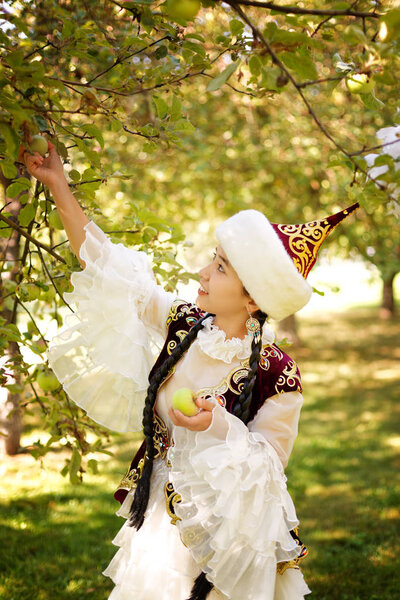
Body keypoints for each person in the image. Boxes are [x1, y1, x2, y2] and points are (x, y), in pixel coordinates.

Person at [19, 137, 360, 600]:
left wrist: (216, 422)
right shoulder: (185, 324)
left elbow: (271, 463)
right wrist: (58, 185)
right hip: (162, 518)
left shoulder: (276, 373)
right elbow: (111, 268)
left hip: (229, 533)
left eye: (219, 268)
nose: (202, 272)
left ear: (253, 298)